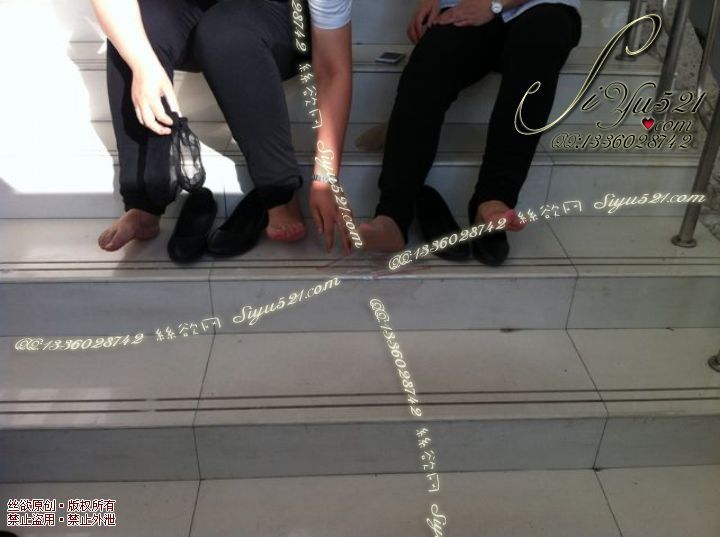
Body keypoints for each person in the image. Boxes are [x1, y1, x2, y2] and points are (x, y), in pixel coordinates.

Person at [92, 0, 353, 257]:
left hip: (280, 21)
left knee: (226, 30)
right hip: (196, 13)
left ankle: (279, 193)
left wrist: (325, 178)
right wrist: (143, 65)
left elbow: (332, 69)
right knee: (134, 29)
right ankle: (144, 202)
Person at [360, 0, 582, 265]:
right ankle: (392, 215)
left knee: (543, 34)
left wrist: (495, 4)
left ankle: (494, 198)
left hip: (544, 8)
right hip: (468, 7)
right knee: (434, 55)